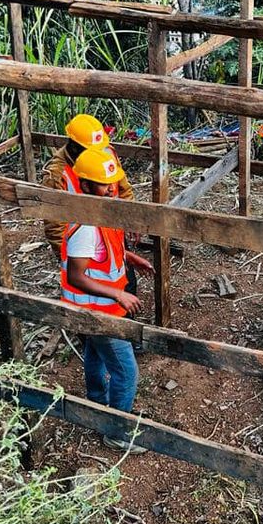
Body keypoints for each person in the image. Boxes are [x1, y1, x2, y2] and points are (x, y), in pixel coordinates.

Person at [61, 147, 154, 454]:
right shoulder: (87, 226)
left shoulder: (101, 212)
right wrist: (117, 292)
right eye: (103, 183)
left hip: (92, 310)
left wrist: (130, 257)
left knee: (95, 355)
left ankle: (97, 404)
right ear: (85, 185)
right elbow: (76, 275)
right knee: (126, 372)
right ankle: (117, 433)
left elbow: (104, 253)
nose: (112, 187)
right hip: (96, 311)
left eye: (113, 181)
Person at [41, 113, 134, 255]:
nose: (98, 155)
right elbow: (55, 225)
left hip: (113, 233)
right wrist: (68, 259)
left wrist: (130, 221)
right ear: (74, 147)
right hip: (83, 245)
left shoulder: (106, 153)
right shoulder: (57, 175)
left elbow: (124, 189)